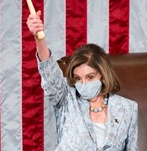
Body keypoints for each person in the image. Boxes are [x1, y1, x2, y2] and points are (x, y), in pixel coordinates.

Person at [27, 11, 138, 150]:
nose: (84, 84)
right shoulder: (66, 99)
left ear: (103, 75)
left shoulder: (128, 108)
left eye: (90, 77)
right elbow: (50, 75)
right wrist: (39, 38)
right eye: (78, 78)